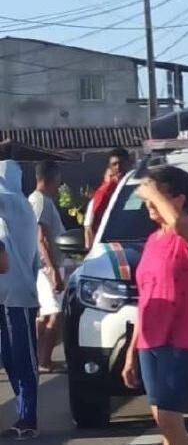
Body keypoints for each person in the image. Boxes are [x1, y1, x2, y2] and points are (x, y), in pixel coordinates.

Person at [121, 166, 188, 445]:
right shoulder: (153, 240)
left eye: (156, 196)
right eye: (146, 198)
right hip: (150, 339)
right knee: (163, 419)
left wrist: (152, 191)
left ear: (179, 199)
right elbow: (145, 296)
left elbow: (180, 225)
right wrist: (131, 352)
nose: (148, 203)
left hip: (179, 338)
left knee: (169, 420)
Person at [0, 160, 41, 439]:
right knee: (10, 357)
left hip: (16, 295)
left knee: (22, 358)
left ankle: (29, 417)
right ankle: (23, 414)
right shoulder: (17, 206)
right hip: (11, 293)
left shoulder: (15, 204)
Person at [29, 160, 66, 373]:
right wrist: (52, 271)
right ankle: (44, 360)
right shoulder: (40, 201)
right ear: (51, 178)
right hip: (46, 267)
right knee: (55, 314)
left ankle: (37, 358)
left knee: (44, 314)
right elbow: (41, 238)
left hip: (45, 266)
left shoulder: (38, 200)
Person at [84, 147, 133, 248]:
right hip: (111, 246)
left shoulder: (141, 187)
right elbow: (91, 226)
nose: (118, 167)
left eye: (121, 163)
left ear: (129, 163)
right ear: (109, 167)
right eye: (114, 164)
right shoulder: (104, 192)